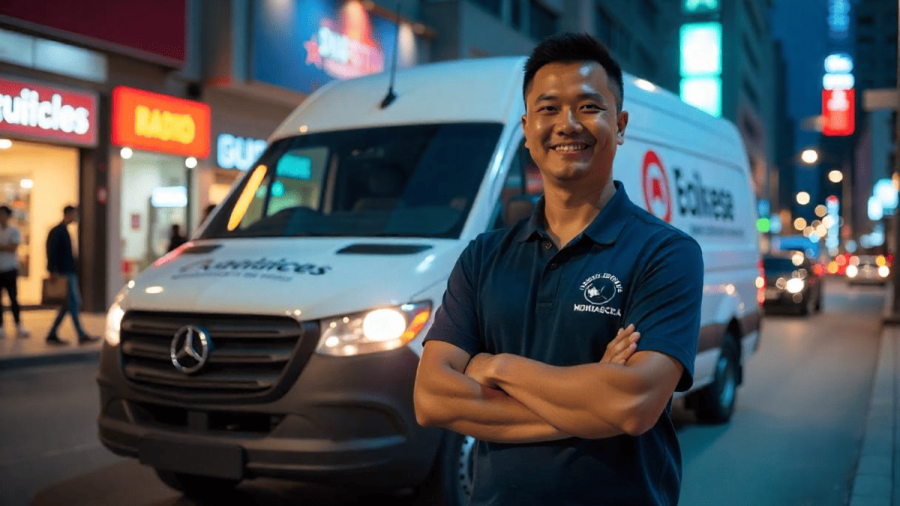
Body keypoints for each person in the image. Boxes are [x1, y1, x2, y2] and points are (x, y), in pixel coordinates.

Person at [413, 33, 703, 505]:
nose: (567, 124)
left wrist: (495, 365)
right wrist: (593, 406)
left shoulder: (666, 252)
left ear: (621, 124)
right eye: (548, 109)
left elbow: (633, 405)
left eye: (589, 107)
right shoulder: (483, 257)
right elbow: (432, 398)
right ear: (527, 130)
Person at [45, 205, 98, 345]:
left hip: (69, 272)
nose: (76, 217)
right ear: (69, 214)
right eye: (74, 214)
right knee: (73, 304)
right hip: (64, 273)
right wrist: (52, 271)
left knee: (67, 305)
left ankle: (52, 333)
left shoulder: (65, 231)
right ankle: (81, 334)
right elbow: (52, 252)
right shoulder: (57, 231)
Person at [0, 206, 29, 338]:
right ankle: (1, 326)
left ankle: (18, 325)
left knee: (13, 299)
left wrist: (4, 247)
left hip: (10, 269)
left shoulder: (14, 230)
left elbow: (13, 247)